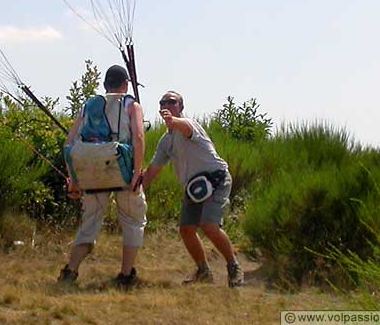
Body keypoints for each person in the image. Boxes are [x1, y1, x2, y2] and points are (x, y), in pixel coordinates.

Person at [142, 91, 244, 287]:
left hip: (217, 180)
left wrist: (173, 121)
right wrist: (137, 190)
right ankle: (203, 271)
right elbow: (153, 171)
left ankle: (234, 266)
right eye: (163, 102)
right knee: (187, 229)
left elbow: (182, 126)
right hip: (194, 187)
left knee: (209, 226)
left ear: (181, 107)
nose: (166, 104)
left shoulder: (189, 125)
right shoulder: (165, 142)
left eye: (172, 101)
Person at [58, 65, 146, 287]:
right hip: (122, 172)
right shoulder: (131, 105)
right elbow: (138, 137)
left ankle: (70, 272)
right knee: (133, 221)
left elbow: (69, 142)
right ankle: (126, 276)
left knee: (89, 223)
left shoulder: (88, 106)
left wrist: (74, 179)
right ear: (125, 84)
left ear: (105, 85)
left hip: (93, 173)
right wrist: (137, 173)